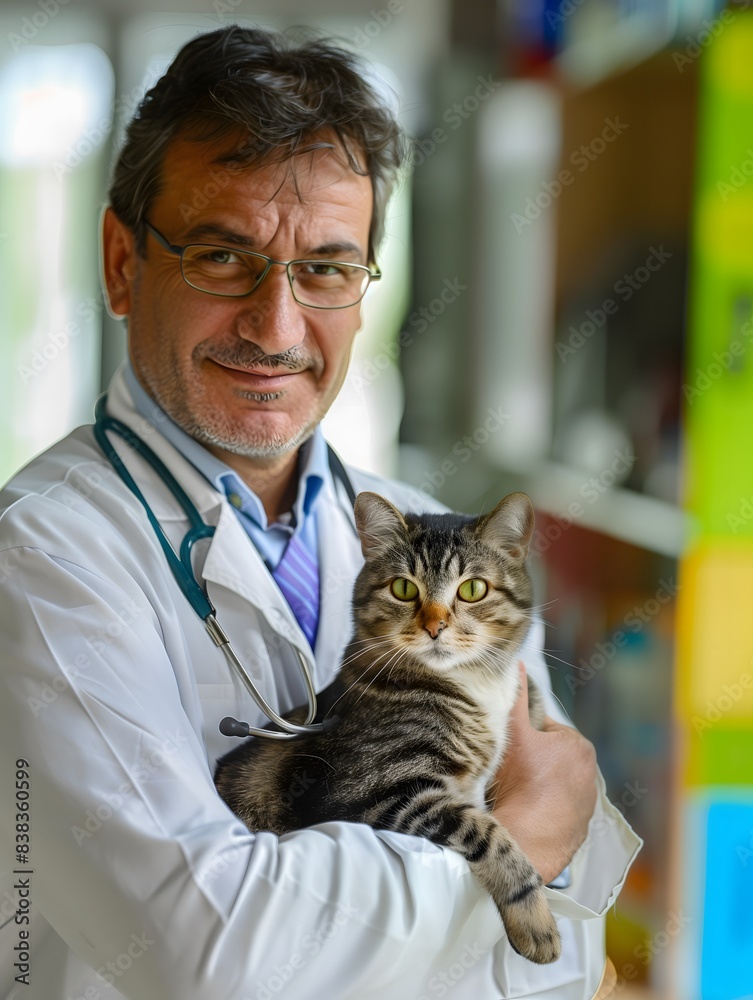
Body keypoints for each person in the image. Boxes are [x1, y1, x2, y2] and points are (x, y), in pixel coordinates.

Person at [0, 25, 640, 1000]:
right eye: (224, 255)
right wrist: (520, 843)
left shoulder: (448, 546)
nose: (277, 325)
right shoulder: (41, 558)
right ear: (123, 262)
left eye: (328, 269)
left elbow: (561, 957)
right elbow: (210, 952)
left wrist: (512, 869)